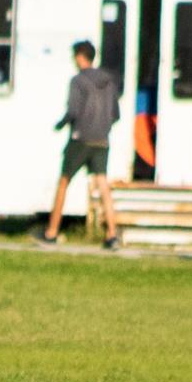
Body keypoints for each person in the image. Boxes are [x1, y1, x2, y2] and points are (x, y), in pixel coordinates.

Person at [40, 40, 120, 250]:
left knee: (64, 182)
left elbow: (73, 111)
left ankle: (51, 231)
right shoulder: (109, 81)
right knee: (103, 185)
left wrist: (60, 125)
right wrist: (103, 127)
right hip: (102, 139)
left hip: (80, 137)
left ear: (80, 57)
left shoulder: (77, 81)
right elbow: (115, 114)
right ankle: (112, 233)